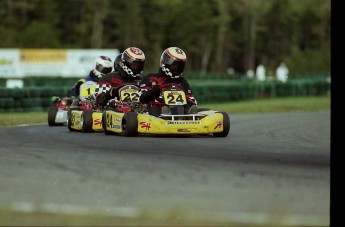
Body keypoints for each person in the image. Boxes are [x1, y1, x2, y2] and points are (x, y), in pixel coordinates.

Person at [138, 47, 197, 116]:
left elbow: (192, 99)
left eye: (179, 66)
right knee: (154, 109)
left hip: (180, 112)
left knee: (190, 109)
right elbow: (141, 98)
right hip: (156, 112)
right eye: (174, 65)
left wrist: (187, 101)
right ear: (164, 62)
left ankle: (192, 119)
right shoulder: (150, 78)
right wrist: (152, 92)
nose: (176, 68)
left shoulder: (182, 81)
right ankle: (165, 113)